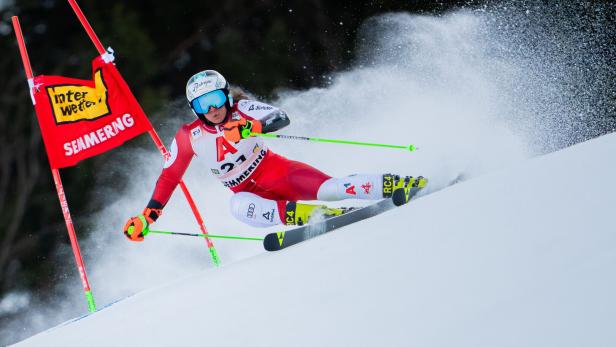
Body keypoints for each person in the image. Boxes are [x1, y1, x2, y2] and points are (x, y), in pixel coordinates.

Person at [123, 70, 426, 241]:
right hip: (247, 191)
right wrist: (149, 215)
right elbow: (170, 176)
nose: (212, 109)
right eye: (203, 106)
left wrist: (248, 128)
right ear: (195, 110)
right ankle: (315, 216)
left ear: (226, 95)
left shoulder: (242, 109)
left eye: (215, 99)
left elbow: (280, 118)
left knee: (331, 189)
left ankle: (396, 183)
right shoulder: (189, 136)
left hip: (277, 171)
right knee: (238, 206)